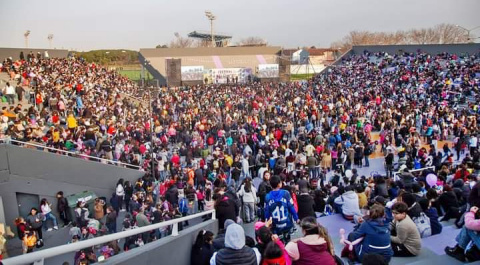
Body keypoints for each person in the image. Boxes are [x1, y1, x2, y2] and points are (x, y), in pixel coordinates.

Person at [265, 175, 299, 243]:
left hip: (275, 224)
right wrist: (296, 218)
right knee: (287, 242)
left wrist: (267, 222)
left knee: (278, 242)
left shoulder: (268, 196)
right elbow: (291, 207)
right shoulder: (285, 193)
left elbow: (267, 211)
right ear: (279, 184)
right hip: (287, 223)